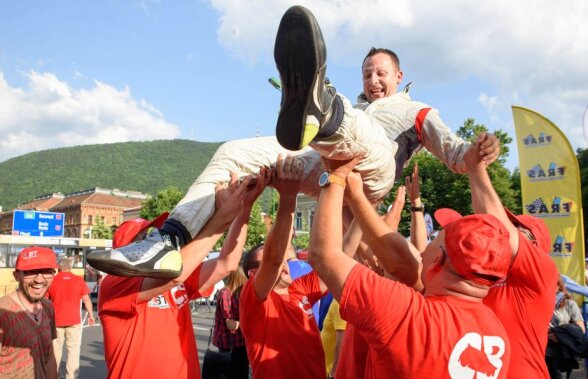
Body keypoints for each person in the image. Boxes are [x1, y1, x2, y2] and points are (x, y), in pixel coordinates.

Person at [87, 5, 500, 280]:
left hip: (371, 171)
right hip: (321, 162)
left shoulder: (415, 109)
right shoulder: (360, 105)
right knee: (234, 150)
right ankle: (169, 241)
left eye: (381, 73)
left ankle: (319, 108)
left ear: (398, 76)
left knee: (363, 134)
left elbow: (455, 153)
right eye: (367, 74)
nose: (373, 80)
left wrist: (476, 154)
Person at [309, 156, 512, 377]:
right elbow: (396, 259)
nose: (422, 251)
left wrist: (335, 176)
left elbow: (324, 256)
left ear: (437, 259)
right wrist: (358, 198)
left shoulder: (407, 313)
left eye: (434, 241)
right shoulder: (498, 333)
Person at [98, 169, 269, 379]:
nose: (157, 241)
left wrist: (244, 208)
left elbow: (227, 263)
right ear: (126, 251)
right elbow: (176, 274)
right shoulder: (115, 283)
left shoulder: (172, 275)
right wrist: (222, 216)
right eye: (145, 238)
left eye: (155, 235)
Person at [442, 134, 559, 378]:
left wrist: (476, 169)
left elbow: (497, 228)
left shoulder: (542, 274)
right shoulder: (482, 276)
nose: (507, 232)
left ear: (535, 246)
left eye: (517, 228)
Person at [239, 154, 328, 378]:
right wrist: (288, 196)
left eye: (286, 261)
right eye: (279, 262)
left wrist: (354, 199)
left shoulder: (300, 288)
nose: (286, 265)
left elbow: (336, 257)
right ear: (253, 273)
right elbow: (273, 259)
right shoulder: (255, 301)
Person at [0, 246, 58, 378]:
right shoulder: (3, 312)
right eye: (30, 272)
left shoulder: (48, 307)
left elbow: (49, 357)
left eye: (47, 271)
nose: (39, 279)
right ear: (16, 275)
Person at [47, 257, 95, 379]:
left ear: (58, 267)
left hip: (55, 322)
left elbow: (45, 302)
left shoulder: (52, 280)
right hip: (74, 321)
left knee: (55, 351)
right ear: (70, 267)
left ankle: (54, 375)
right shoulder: (78, 280)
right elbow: (86, 299)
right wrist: (91, 315)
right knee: (73, 351)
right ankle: (71, 376)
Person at [545, 276, 586, 378]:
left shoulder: (570, 304)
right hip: (543, 350)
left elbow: (581, 329)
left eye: (551, 284)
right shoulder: (536, 302)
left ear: (559, 286)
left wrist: (559, 334)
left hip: (564, 351)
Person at [212, 266, 249, 379]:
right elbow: (230, 325)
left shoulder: (243, 292)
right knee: (230, 374)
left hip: (241, 343)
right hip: (229, 344)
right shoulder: (225, 293)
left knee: (241, 374)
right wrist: (248, 322)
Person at [320, 299, 346, 379]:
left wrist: (333, 373)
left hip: (333, 372)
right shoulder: (336, 300)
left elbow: (342, 339)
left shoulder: (339, 303)